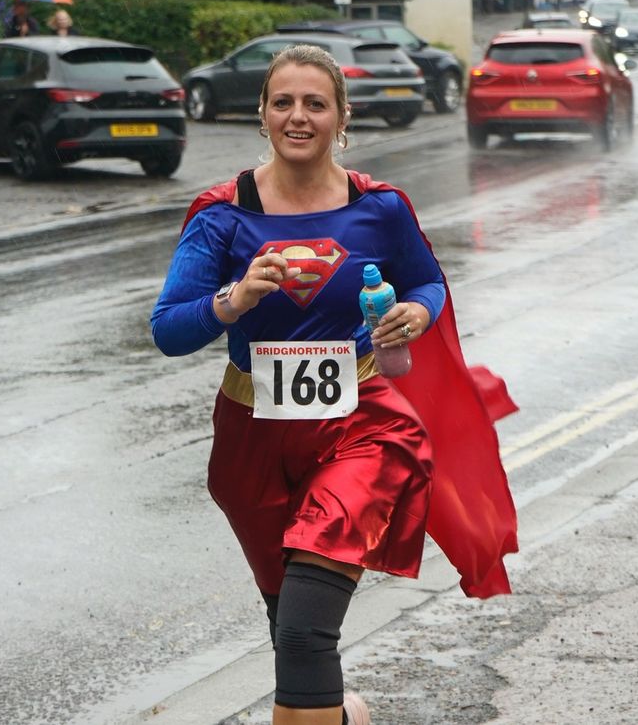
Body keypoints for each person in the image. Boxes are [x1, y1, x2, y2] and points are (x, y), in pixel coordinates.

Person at [150, 44, 519, 724]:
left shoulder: (379, 207)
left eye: (315, 103)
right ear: (261, 114)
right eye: (282, 102)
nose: (298, 116)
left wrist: (417, 311)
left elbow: (426, 280)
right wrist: (231, 301)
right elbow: (169, 328)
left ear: (341, 118)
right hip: (250, 438)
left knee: (303, 630)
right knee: (287, 619)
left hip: (360, 428)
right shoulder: (220, 214)